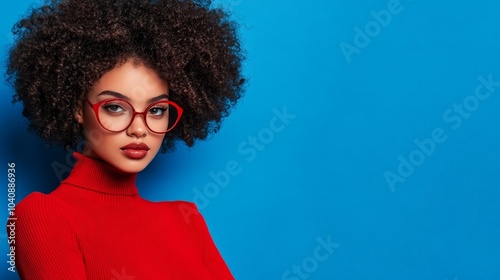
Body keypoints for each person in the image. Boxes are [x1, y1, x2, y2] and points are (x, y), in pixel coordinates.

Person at [5, 0, 245, 279]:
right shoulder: (43, 216)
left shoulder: (186, 220)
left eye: (156, 110)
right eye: (116, 107)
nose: (139, 129)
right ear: (76, 108)